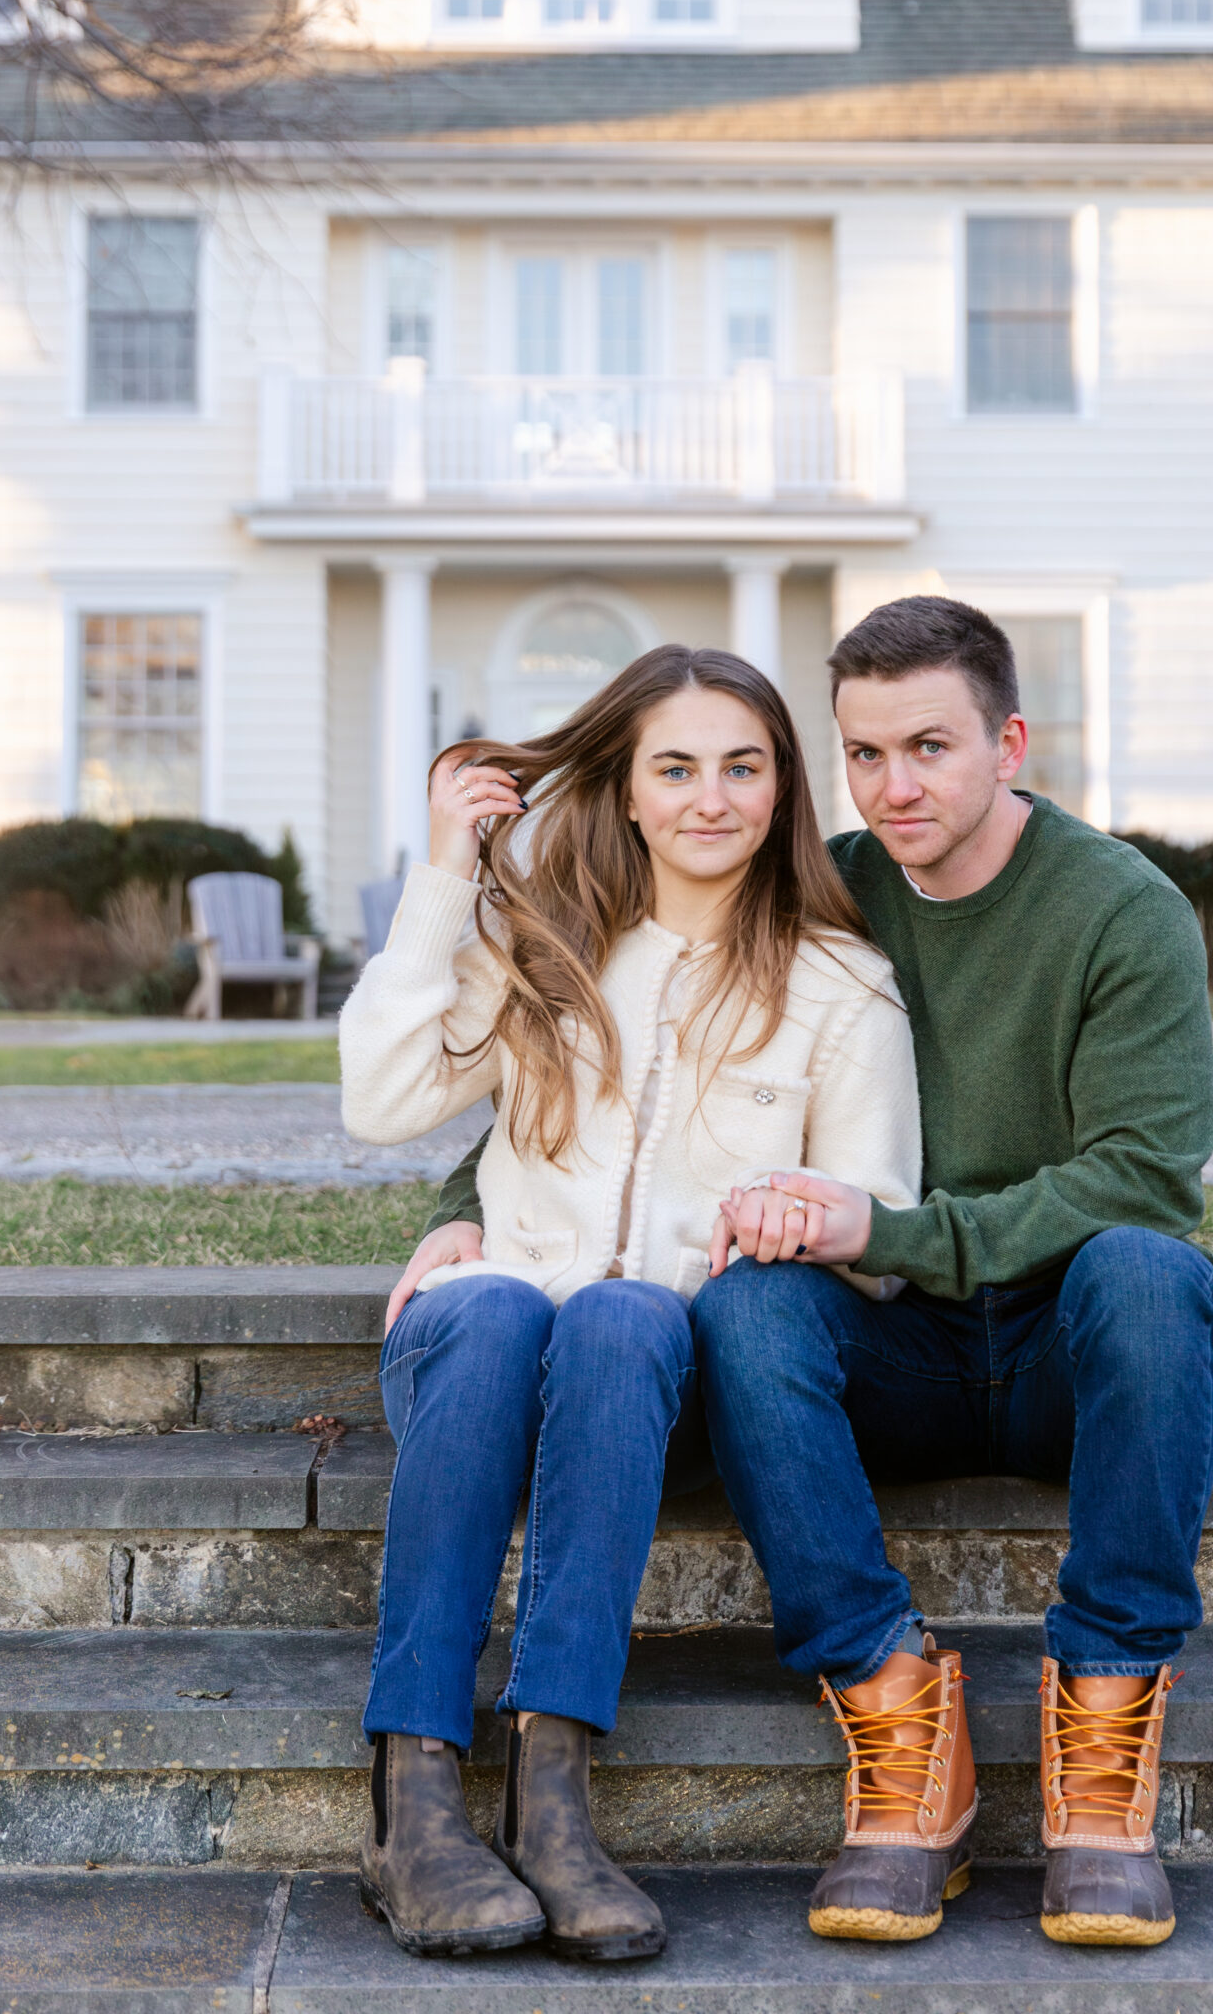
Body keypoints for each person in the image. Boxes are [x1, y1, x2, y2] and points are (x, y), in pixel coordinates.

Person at [340, 644, 922, 1964]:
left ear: (782, 790)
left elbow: (880, 1224)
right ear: (629, 786)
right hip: (481, 1352)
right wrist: (445, 874)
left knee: (623, 1318)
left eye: (742, 767)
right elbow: (379, 1104)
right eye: (676, 767)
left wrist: (800, 1225)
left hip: (649, 1376)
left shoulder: (841, 989)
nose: (709, 798)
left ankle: (554, 1805)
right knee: (493, 1313)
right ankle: (413, 1801)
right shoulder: (541, 944)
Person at [691, 595, 1213, 1951]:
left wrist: (893, 1231)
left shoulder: (1124, 910)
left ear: (1011, 742)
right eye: (863, 754)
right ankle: (896, 1720)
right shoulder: (831, 886)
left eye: (928, 746)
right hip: (897, 1349)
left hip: (1065, 1347)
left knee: (1154, 1276)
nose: (894, 785)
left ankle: (1104, 1736)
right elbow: (627, 1032)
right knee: (748, 1311)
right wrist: (468, 1206)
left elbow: (1140, 1178)